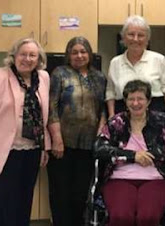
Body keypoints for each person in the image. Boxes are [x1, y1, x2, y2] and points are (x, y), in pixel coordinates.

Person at [0, 38, 51, 226]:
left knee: (25, 201)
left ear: (39, 58)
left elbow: (43, 116)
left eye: (32, 55)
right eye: (23, 54)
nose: (27, 59)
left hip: (32, 150)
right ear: (14, 56)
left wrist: (44, 148)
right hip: (6, 151)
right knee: (3, 203)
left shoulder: (43, 77)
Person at [95, 80, 165, 226]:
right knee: (121, 217)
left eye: (140, 99)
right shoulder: (116, 122)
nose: (136, 103)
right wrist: (133, 156)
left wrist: (152, 154)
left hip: (156, 178)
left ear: (149, 101)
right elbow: (99, 148)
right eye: (131, 99)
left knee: (147, 218)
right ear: (125, 101)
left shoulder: (161, 121)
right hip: (119, 178)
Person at [47, 36, 106, 226]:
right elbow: (52, 107)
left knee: (80, 193)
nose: (79, 56)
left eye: (83, 52)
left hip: (89, 144)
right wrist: (56, 139)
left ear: (89, 54)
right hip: (62, 144)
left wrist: (100, 135)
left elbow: (103, 109)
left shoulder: (99, 77)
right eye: (74, 52)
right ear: (68, 55)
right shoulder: (60, 73)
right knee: (60, 192)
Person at [106, 15, 165, 128]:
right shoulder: (115, 62)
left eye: (140, 35)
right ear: (124, 38)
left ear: (147, 39)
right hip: (123, 115)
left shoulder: (159, 59)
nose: (135, 39)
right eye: (131, 34)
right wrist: (111, 116)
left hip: (155, 113)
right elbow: (110, 92)